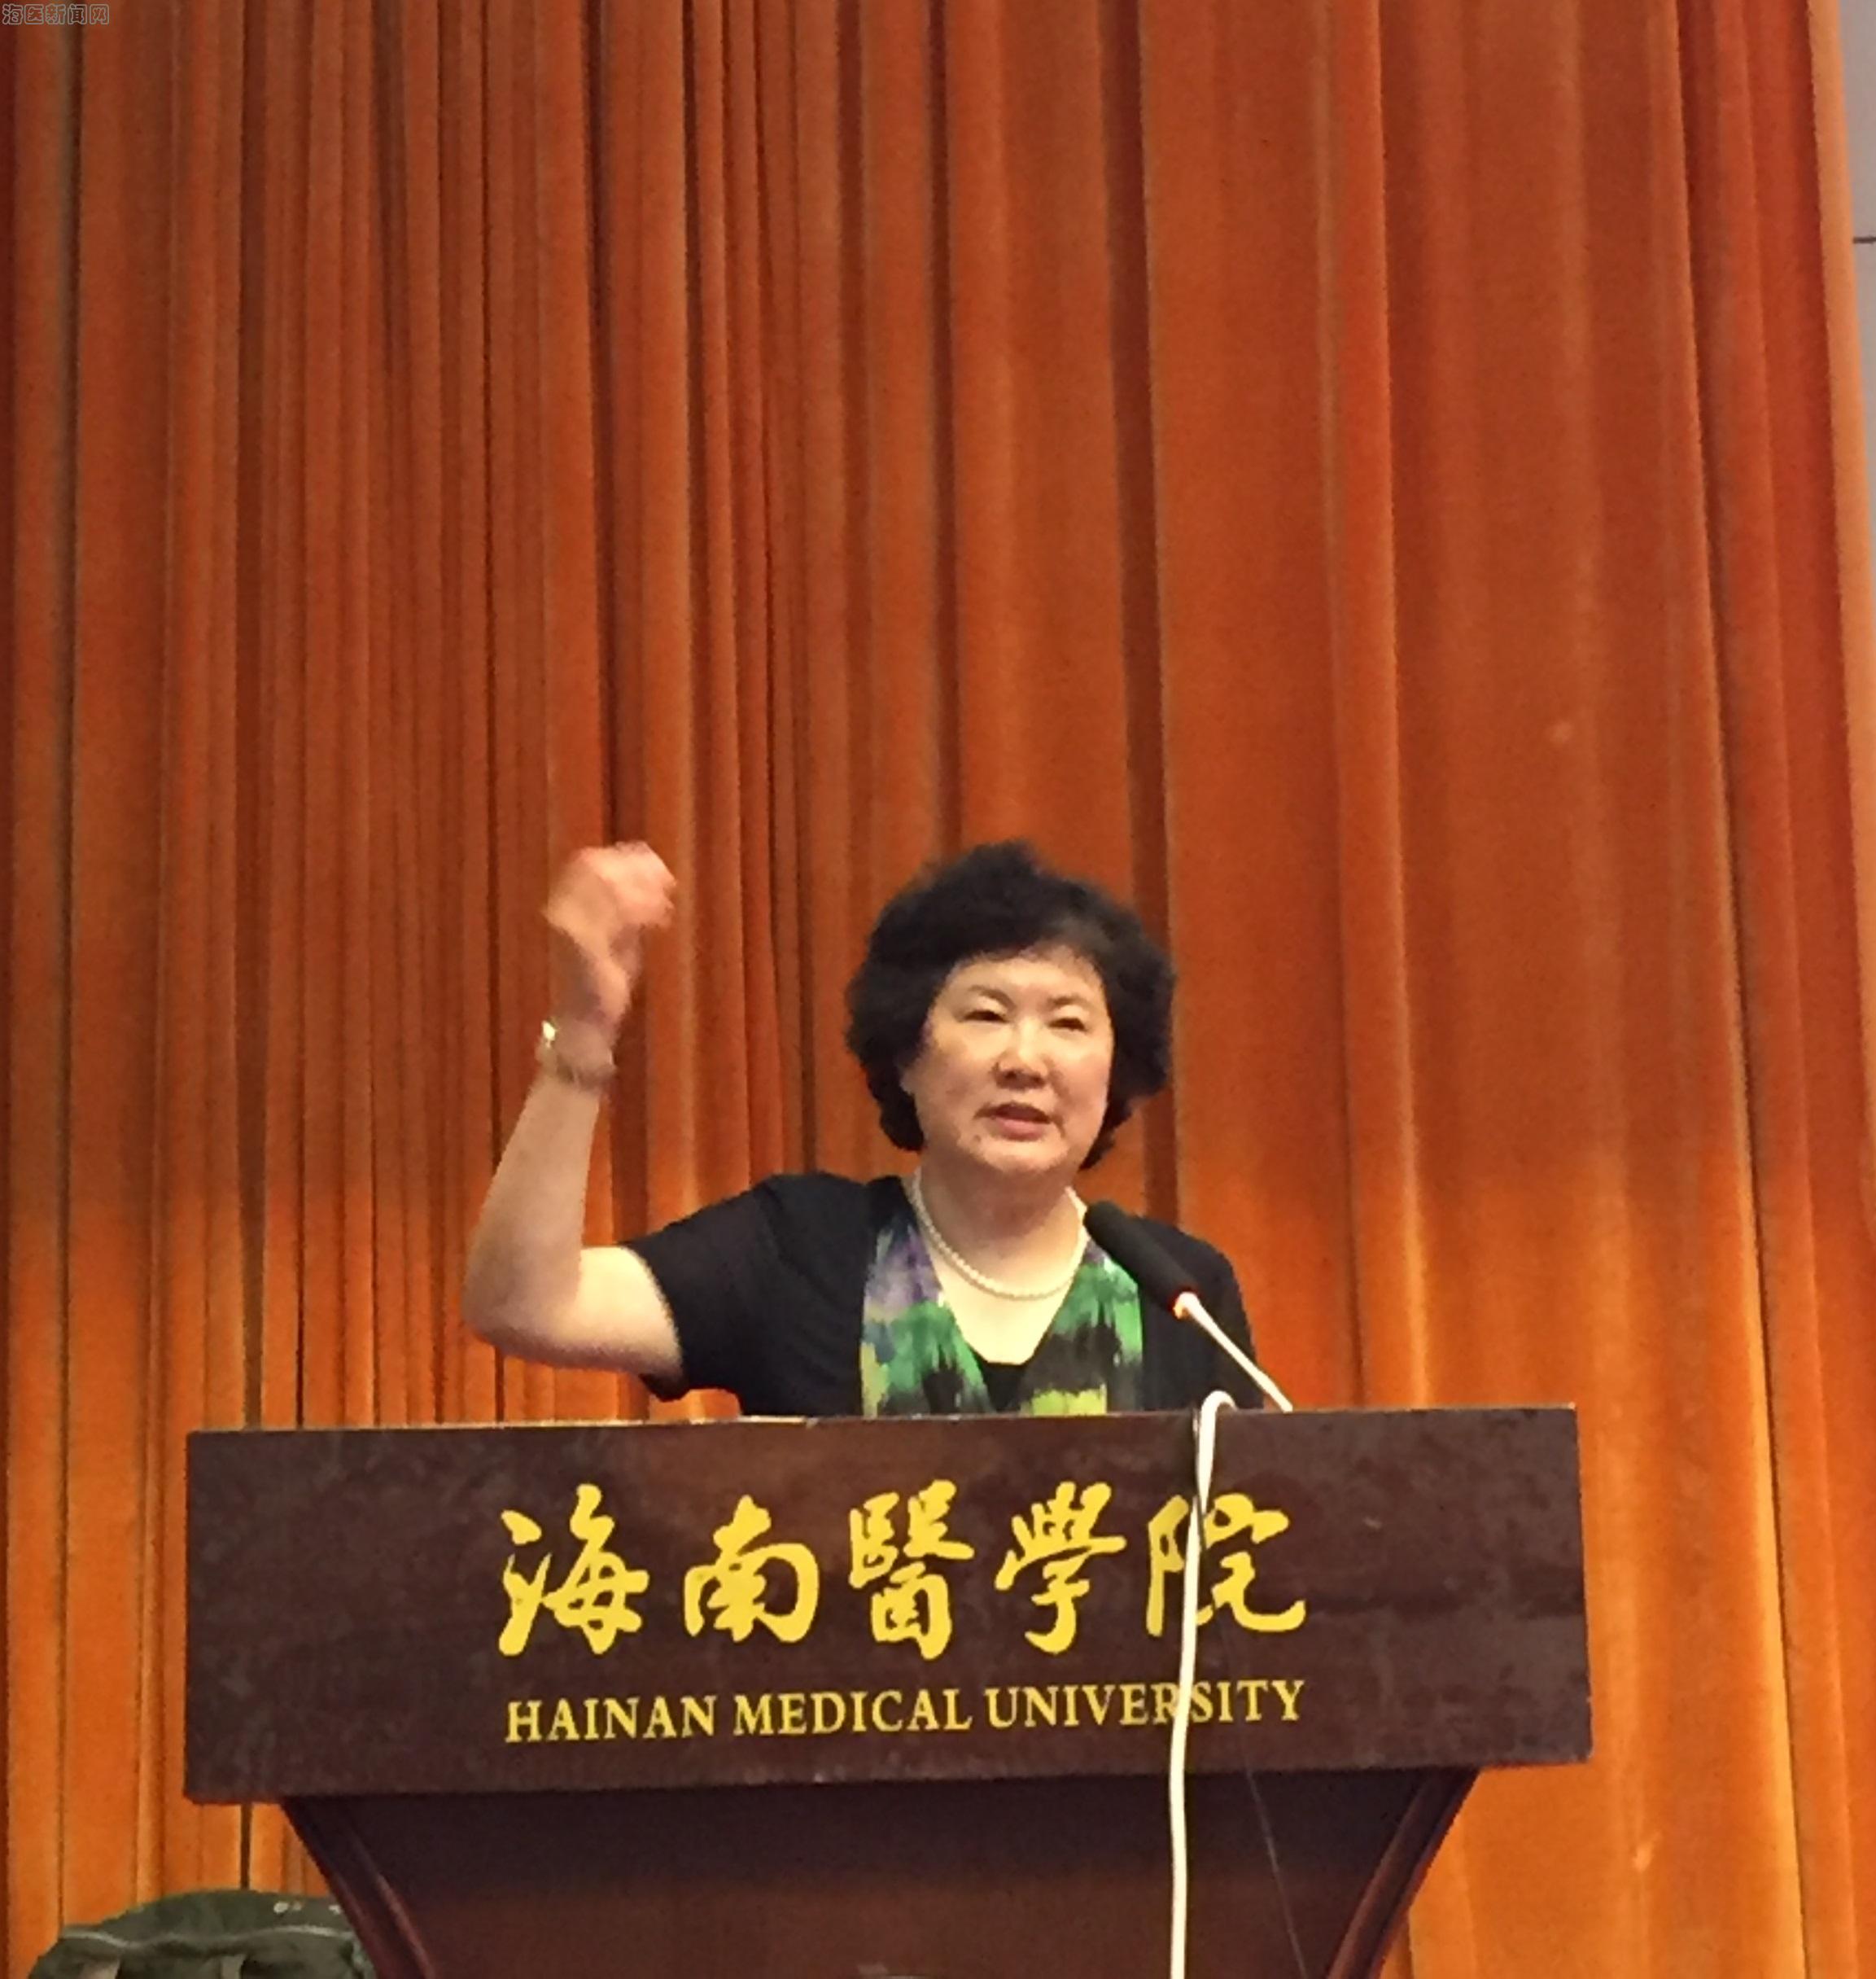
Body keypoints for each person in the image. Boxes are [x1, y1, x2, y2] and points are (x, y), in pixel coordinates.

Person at [463, 839, 1260, 1417]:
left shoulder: (1182, 1295)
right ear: (907, 1055)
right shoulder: (800, 1247)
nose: (1025, 1059)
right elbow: (524, 1304)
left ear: (1114, 1070)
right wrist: (583, 1032)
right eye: (986, 1014)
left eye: (1068, 1023)